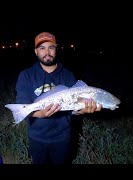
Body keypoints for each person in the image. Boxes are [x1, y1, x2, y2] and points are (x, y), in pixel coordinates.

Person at [14, 32, 102, 164]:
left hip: (63, 138)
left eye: (51, 47)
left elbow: (73, 109)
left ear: (56, 49)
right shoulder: (26, 75)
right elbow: (22, 106)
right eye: (42, 48)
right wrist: (40, 113)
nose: (47, 52)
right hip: (37, 137)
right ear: (35, 51)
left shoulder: (68, 75)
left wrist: (83, 110)